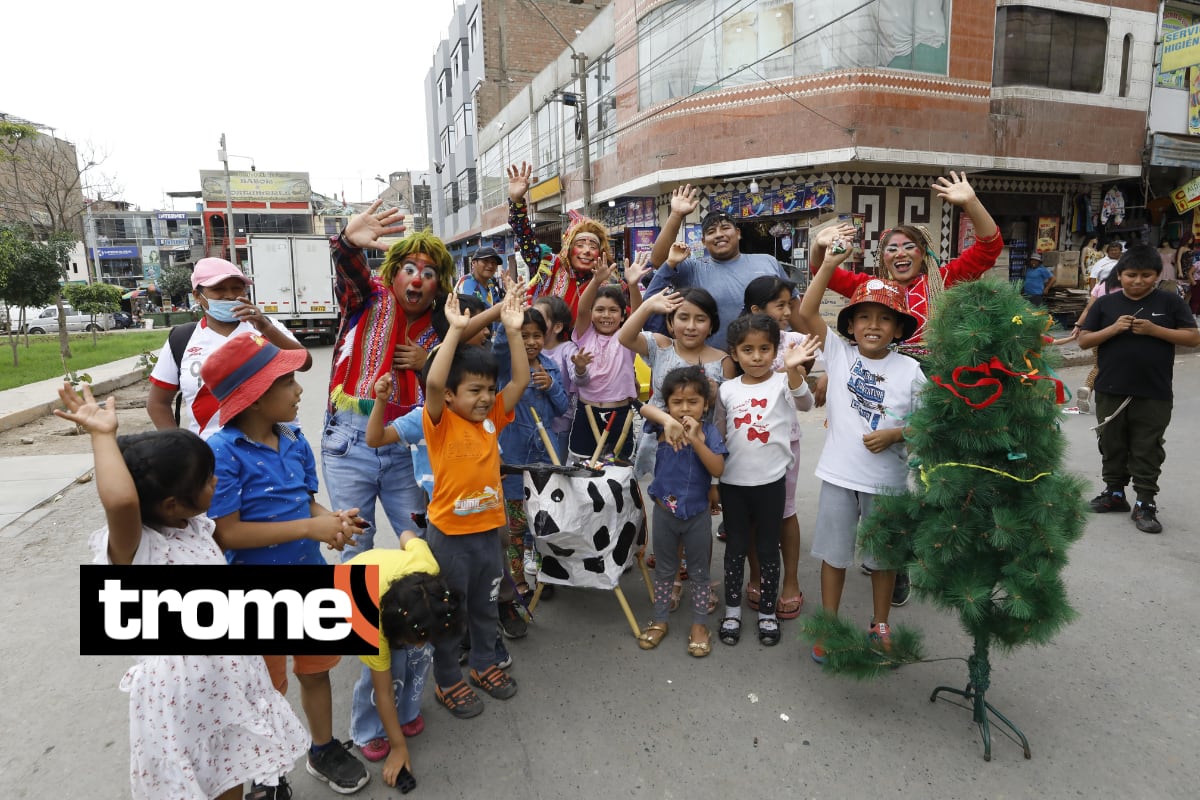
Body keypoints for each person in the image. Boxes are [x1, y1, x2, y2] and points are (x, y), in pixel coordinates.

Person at [58, 384, 309, 800]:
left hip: (227, 679)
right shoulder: (137, 548)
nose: (216, 482)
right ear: (172, 503)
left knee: (230, 766)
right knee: (190, 782)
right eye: (206, 480)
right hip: (181, 697)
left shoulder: (197, 527)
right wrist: (102, 436)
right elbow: (122, 503)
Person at [200, 332, 370, 795]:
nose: (299, 391)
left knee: (316, 670)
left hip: (309, 579)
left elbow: (305, 504)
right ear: (254, 398)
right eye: (288, 383)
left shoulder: (293, 439)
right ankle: (265, 769)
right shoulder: (222, 452)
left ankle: (322, 747)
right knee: (264, 689)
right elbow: (228, 532)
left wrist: (330, 521)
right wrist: (307, 528)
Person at [796, 226, 927, 663]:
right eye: (864, 317)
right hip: (838, 475)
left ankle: (880, 624)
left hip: (887, 482)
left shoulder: (910, 370)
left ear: (898, 328)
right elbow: (806, 311)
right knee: (833, 555)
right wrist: (828, 264)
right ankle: (829, 624)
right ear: (850, 325)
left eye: (885, 318)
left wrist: (897, 434)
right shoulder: (839, 355)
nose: (874, 325)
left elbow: (929, 423)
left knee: (883, 558)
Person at [324, 202, 457, 562]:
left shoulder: (445, 322)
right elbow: (349, 272)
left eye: (428, 274)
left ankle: (416, 617)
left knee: (418, 543)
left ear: (437, 283)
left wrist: (426, 362)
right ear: (394, 273)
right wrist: (348, 244)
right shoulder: (366, 299)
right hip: (350, 442)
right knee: (355, 546)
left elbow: (461, 380)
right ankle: (358, 618)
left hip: (409, 445)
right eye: (409, 270)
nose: (417, 280)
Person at [423, 289, 529, 719]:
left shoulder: (491, 420)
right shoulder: (440, 422)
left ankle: (485, 664)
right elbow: (433, 380)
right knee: (448, 614)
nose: (485, 397)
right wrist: (455, 331)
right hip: (448, 537)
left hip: (487, 535)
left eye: (489, 389)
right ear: (450, 396)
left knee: (485, 606)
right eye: (473, 390)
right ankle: (448, 680)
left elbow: (518, 381)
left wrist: (514, 332)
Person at [1077, 244, 1200, 533]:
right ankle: (1114, 494)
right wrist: (1114, 328)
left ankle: (1145, 503)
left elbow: (1193, 337)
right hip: (1110, 389)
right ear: (1120, 275)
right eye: (1131, 274)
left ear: (1157, 275)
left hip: (1153, 392)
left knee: (1147, 447)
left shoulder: (1170, 303)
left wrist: (1154, 330)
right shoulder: (1105, 305)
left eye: (1146, 275)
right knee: (1111, 443)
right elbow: (1084, 341)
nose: (1138, 281)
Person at [809, 172, 1001, 356]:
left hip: (931, 378)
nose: (900, 254)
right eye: (891, 249)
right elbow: (823, 274)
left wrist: (972, 203)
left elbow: (989, 248)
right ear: (883, 258)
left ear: (923, 253)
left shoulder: (944, 280)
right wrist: (818, 246)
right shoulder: (870, 289)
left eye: (909, 247)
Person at [715, 313, 820, 647]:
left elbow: (806, 403)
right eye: (748, 349)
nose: (756, 356)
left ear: (775, 350)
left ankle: (767, 615)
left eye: (764, 348)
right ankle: (732, 611)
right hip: (733, 484)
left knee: (767, 550)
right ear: (734, 353)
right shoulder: (727, 389)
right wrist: (713, 483)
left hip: (772, 483)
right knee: (735, 549)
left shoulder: (782, 383)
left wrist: (792, 370)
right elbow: (718, 435)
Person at [345, 530, 465, 789]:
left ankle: (406, 712)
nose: (422, 643)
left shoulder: (428, 571)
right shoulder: (369, 623)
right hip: (352, 589)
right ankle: (367, 732)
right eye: (416, 637)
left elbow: (407, 534)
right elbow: (383, 690)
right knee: (382, 673)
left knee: (419, 657)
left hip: (392, 590)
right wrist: (399, 748)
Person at [146, 257, 309, 438]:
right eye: (218, 289)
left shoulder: (266, 327)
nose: (230, 295)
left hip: (275, 451)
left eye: (237, 288)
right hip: (210, 457)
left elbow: (305, 362)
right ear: (197, 296)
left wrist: (265, 327)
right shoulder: (182, 339)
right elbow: (157, 404)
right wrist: (180, 448)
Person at [738, 275, 820, 620]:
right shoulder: (742, 340)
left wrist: (797, 369)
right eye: (780, 305)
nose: (788, 311)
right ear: (757, 310)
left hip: (785, 444)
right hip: (746, 444)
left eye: (790, 303)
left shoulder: (797, 342)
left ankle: (790, 582)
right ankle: (756, 577)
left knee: (785, 511)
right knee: (754, 516)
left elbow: (806, 396)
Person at [636, 366, 728, 657]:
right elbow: (643, 408)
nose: (685, 408)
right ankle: (660, 620)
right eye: (677, 402)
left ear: (706, 404)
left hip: (697, 515)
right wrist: (666, 419)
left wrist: (697, 439)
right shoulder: (662, 426)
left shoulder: (710, 432)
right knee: (664, 571)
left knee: (699, 573)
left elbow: (717, 468)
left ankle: (700, 625)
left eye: (693, 402)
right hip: (664, 513)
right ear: (668, 405)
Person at [643, 186, 796, 350]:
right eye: (711, 231)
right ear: (703, 241)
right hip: (713, 365)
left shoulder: (768, 262)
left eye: (725, 228)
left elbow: (793, 307)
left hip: (765, 360)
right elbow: (659, 259)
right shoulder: (693, 268)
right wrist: (676, 215)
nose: (719, 234)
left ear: (738, 233)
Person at [495, 305, 568, 597]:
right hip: (512, 458)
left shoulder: (550, 366)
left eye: (537, 335)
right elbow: (501, 344)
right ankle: (519, 584)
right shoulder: (505, 365)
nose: (530, 342)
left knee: (545, 522)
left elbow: (563, 408)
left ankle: (546, 575)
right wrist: (506, 323)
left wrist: (551, 387)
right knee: (515, 527)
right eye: (523, 335)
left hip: (545, 458)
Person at [507, 161, 612, 318]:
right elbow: (525, 238)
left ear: (600, 252)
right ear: (569, 248)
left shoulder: (608, 283)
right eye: (580, 244)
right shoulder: (549, 265)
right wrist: (516, 203)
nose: (586, 251)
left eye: (592, 246)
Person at [571, 258, 638, 462]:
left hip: (619, 414)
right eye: (600, 310)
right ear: (592, 314)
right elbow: (582, 309)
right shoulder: (585, 333)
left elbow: (639, 312)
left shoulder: (627, 336)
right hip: (586, 411)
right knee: (583, 470)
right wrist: (596, 280)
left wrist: (633, 285)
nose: (606, 315)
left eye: (613, 310)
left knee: (619, 472)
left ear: (623, 316)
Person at [532, 294, 590, 458]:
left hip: (560, 426)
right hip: (533, 423)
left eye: (540, 318)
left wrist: (580, 368)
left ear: (557, 327)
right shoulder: (531, 348)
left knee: (557, 469)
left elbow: (580, 380)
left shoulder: (567, 349)